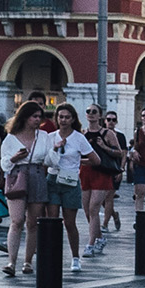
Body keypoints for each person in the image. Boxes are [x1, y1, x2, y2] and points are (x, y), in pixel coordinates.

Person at [1, 101, 53, 277]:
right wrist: (15, 158)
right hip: (17, 176)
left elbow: (50, 160)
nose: (38, 120)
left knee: (33, 222)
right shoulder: (11, 137)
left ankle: (28, 261)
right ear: (24, 117)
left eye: (40, 117)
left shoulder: (44, 136)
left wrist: (56, 151)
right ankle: (11, 261)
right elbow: (4, 163)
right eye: (34, 116)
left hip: (37, 175)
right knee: (16, 221)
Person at [46, 104, 95, 272]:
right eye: (61, 117)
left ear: (73, 119)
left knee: (69, 222)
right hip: (52, 179)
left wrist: (78, 162)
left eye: (67, 117)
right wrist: (55, 148)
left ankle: (75, 257)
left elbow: (96, 160)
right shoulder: (50, 137)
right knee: (52, 220)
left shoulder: (79, 138)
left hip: (70, 181)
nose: (64, 120)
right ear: (56, 118)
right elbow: (45, 159)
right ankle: (52, 254)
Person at [81, 103, 122, 255]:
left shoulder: (107, 134)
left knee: (94, 208)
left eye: (94, 112)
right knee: (86, 210)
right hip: (86, 171)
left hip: (102, 173)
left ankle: (90, 244)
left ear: (100, 116)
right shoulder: (83, 134)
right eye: (88, 111)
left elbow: (119, 152)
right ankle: (99, 237)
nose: (91, 114)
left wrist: (104, 147)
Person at [101, 112, 128, 232]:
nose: (111, 121)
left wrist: (121, 169)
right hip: (101, 169)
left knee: (108, 197)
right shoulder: (100, 135)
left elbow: (124, 154)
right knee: (100, 199)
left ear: (116, 121)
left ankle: (105, 224)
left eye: (113, 119)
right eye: (109, 119)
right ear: (105, 121)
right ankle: (114, 215)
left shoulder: (120, 136)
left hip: (115, 169)